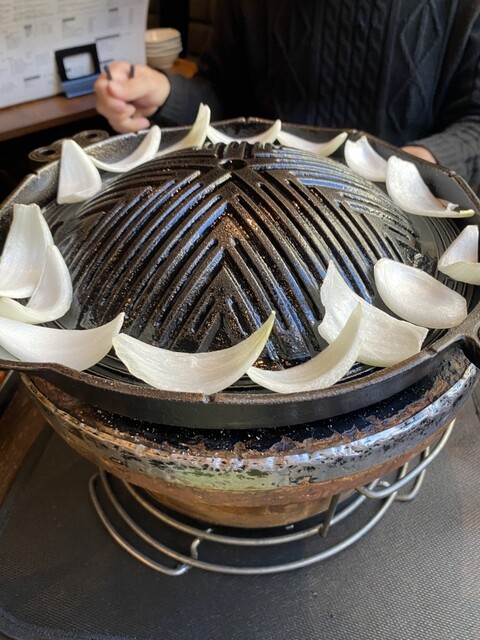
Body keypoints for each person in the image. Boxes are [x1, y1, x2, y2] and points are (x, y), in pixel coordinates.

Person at [94, 0, 480, 189]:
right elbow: (225, 98)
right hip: (261, 199)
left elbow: (474, 123)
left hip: (397, 209)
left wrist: (411, 166)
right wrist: (166, 93)